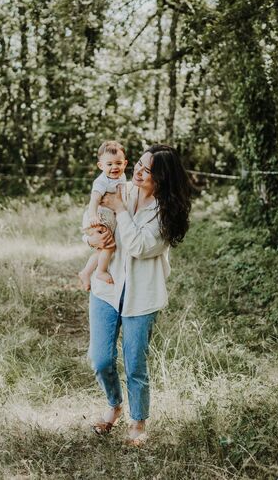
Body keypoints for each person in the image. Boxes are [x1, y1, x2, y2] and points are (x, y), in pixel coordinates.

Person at [84, 144, 192, 445]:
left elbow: (140, 247)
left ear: (162, 177)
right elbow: (91, 216)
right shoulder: (122, 189)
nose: (138, 172)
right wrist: (91, 234)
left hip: (142, 297)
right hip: (107, 288)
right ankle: (114, 404)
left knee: (135, 363)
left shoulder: (166, 212)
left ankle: (138, 421)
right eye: (139, 165)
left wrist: (119, 211)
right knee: (100, 359)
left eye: (147, 169)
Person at [78, 141, 128, 290]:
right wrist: (93, 216)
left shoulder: (122, 176)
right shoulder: (101, 181)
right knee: (109, 246)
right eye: (109, 164)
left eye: (118, 163)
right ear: (101, 166)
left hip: (108, 218)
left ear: (125, 164)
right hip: (99, 217)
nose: (114, 167)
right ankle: (100, 271)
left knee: (103, 249)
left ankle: (86, 273)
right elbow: (94, 200)